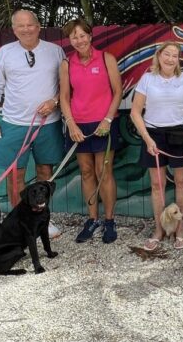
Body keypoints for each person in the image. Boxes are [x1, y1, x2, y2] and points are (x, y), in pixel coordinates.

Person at [0, 9, 65, 238]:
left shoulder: (55, 51)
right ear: (14, 30)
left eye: (30, 24)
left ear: (39, 26)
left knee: (45, 172)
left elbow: (65, 84)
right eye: (20, 26)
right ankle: (19, 221)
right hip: (13, 123)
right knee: (15, 175)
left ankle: (42, 220)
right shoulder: (5, 52)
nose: (26, 29)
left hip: (48, 123)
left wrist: (55, 101)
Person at [130, 42, 183, 251]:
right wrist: (147, 139)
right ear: (159, 55)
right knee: (157, 185)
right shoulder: (147, 79)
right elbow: (135, 112)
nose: (170, 59)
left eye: (175, 55)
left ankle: (179, 228)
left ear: (178, 59)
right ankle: (160, 229)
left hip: (181, 135)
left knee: (181, 182)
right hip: (154, 135)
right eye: (167, 54)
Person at [59, 18, 123, 244]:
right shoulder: (67, 64)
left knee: (103, 170)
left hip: (104, 123)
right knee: (86, 172)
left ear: (90, 36)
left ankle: (109, 220)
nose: (79, 40)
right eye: (74, 37)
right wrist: (71, 124)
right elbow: (64, 97)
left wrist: (107, 120)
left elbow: (118, 92)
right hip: (79, 125)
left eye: (82, 35)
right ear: (70, 41)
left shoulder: (107, 59)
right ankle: (92, 219)